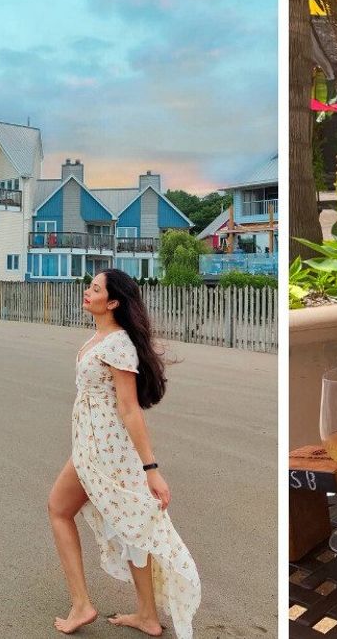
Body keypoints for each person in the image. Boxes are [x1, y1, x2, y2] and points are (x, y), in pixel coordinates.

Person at [48, 269, 200, 637]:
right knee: (129, 523)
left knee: (59, 509)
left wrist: (151, 468)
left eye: (95, 289)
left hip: (103, 447)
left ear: (113, 302)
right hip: (93, 441)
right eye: (89, 286)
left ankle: (82, 604)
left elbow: (130, 409)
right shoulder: (100, 338)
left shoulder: (118, 344)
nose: (87, 292)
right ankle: (147, 615)